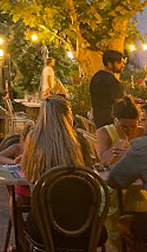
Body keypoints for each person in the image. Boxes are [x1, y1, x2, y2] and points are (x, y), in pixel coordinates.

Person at [21, 97, 105, 249]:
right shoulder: (80, 141)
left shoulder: (33, 139)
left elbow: (28, 173)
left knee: (19, 205)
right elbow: (88, 173)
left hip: (45, 227)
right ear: (68, 115)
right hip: (85, 226)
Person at [96, 96, 143, 167]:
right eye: (124, 127)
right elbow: (104, 162)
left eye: (133, 126)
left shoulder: (142, 132)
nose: (130, 131)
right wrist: (122, 140)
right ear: (116, 121)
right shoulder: (104, 132)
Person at [90, 49, 126, 128]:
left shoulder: (95, 77)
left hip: (99, 122)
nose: (122, 65)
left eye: (123, 62)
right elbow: (120, 106)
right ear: (110, 64)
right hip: (112, 124)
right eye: (119, 63)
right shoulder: (113, 82)